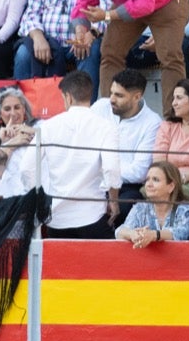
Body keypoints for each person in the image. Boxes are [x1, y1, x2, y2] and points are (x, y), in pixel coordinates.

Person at [18, 70, 120, 237]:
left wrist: (40, 200)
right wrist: (114, 201)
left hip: (57, 218)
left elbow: (26, 168)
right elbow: (112, 169)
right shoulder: (106, 127)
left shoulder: (47, 126)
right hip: (92, 215)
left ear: (68, 97)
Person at [94, 68, 162, 204]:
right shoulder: (101, 107)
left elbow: (139, 172)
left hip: (125, 185)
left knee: (127, 204)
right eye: (111, 93)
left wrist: (105, 170)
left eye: (119, 95)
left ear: (137, 97)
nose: (112, 99)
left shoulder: (153, 122)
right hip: (94, 180)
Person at [116, 161, 189, 246]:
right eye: (147, 179)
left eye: (155, 180)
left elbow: (181, 233)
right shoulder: (140, 207)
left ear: (171, 186)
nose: (149, 184)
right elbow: (119, 232)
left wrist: (154, 235)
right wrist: (132, 234)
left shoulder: (185, 209)